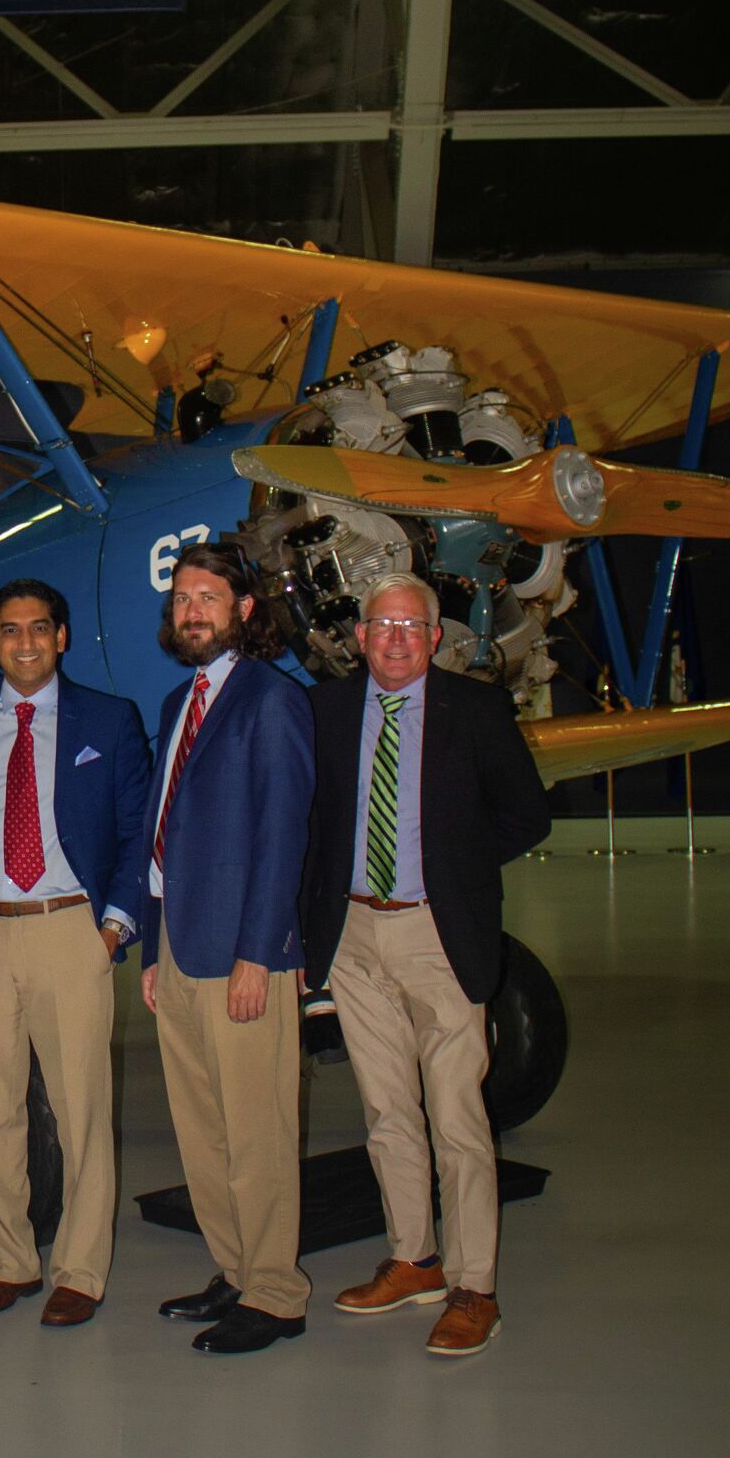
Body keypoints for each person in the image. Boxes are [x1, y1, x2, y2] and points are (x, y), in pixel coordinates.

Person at [301, 573, 551, 1357]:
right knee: (385, 1112)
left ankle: (475, 1289)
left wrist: (456, 874)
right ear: (362, 635)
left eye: (413, 626)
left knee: (458, 1120)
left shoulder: (475, 711)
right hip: (356, 939)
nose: (398, 639)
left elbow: (526, 816)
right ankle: (414, 1258)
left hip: (439, 937)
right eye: (383, 624)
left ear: (435, 637)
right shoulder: (328, 711)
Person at [0, 579, 150, 1326]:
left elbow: (136, 830)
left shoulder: (110, 720)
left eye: (38, 628)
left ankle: (80, 1270)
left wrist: (113, 928)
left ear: (61, 637)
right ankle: (8, 1262)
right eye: (9, 630)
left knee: (80, 1109)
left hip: (71, 929)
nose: (25, 642)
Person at [140, 543, 313, 1354]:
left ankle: (277, 1292)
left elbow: (284, 834)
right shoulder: (181, 700)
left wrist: (262, 951)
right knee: (203, 1130)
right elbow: (163, 832)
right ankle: (236, 1268)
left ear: (245, 609)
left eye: (208, 596)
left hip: (243, 955)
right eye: (182, 597)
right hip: (178, 949)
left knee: (257, 1131)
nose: (192, 609)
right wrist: (150, 952)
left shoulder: (271, 700)